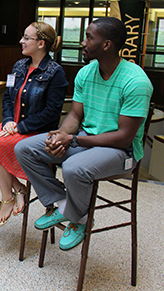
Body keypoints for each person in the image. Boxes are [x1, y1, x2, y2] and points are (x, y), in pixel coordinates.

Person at [15, 17, 153, 251]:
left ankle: (79, 218)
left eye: (89, 37)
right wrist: (60, 134)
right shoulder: (86, 73)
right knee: (25, 148)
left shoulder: (136, 81)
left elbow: (124, 137)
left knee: (74, 167)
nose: (82, 42)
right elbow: (75, 116)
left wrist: (75, 139)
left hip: (121, 152)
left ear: (107, 44)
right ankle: (61, 203)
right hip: (87, 140)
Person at [0, 22, 68, 226]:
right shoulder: (18, 66)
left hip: (35, 131)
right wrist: (8, 121)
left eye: (26, 37)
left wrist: (21, 127)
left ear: (41, 43)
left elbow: (51, 113)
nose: (21, 41)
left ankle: (8, 197)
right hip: (12, 126)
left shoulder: (55, 72)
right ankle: (16, 189)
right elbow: (8, 97)